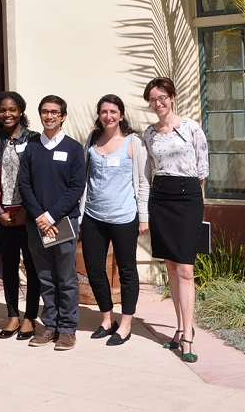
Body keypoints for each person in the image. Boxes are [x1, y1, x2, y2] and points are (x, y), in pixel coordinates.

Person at [142, 77, 209, 363]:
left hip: (188, 196)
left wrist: (197, 207)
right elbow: (149, 171)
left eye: (161, 98)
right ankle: (179, 328)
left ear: (172, 96)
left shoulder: (191, 127)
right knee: (170, 265)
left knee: (185, 269)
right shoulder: (150, 133)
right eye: (152, 100)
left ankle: (189, 335)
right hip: (161, 197)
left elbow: (203, 170)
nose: (157, 104)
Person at [18, 94, 86, 351]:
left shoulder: (73, 148)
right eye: (44, 111)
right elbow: (24, 184)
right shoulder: (32, 147)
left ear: (63, 116)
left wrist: (51, 216)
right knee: (46, 277)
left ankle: (68, 329)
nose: (49, 116)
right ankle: (50, 325)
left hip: (64, 224)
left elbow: (76, 187)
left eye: (54, 112)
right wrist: (40, 217)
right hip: (37, 225)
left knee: (66, 278)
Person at [81, 94, 150, 346]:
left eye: (113, 112)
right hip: (93, 216)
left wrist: (144, 217)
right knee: (95, 269)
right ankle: (107, 319)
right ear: (99, 115)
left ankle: (126, 324)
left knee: (127, 271)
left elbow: (143, 182)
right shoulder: (91, 140)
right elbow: (86, 179)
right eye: (104, 112)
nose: (108, 116)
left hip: (124, 217)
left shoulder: (134, 142)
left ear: (121, 115)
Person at [0, 90, 40, 340]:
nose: (8, 114)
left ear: (21, 111)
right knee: (7, 265)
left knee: (32, 264)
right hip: (3, 213)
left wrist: (27, 211)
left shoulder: (35, 139)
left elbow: (38, 179)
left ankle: (29, 317)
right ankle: (12, 315)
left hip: (28, 212)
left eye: (12, 109)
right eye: (3, 110)